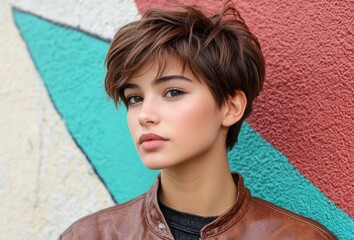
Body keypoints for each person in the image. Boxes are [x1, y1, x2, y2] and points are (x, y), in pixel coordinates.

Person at [59, 4, 337, 240]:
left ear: (231, 107)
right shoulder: (92, 235)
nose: (145, 114)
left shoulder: (296, 237)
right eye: (134, 98)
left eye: (173, 92)